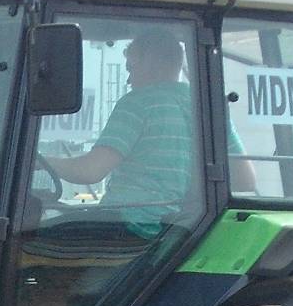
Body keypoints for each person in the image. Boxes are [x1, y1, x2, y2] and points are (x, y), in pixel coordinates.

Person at [42, 33, 254, 219]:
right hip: (183, 227)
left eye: (131, 67)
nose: (128, 79)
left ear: (151, 62)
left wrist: (42, 162)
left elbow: (90, 172)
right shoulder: (210, 107)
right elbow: (245, 180)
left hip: (129, 225)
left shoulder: (138, 102)